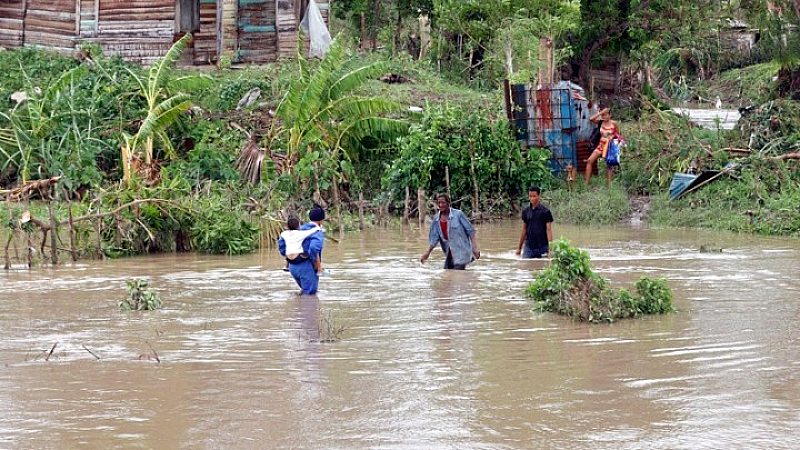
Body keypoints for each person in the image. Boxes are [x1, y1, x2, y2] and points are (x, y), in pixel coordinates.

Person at [420, 194, 480, 270]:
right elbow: (434, 239)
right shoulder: (436, 219)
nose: (441, 205)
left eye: (443, 202)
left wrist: (475, 248)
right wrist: (427, 253)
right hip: (449, 254)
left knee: (457, 275)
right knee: (447, 276)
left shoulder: (458, 214)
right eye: (439, 203)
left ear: (448, 203)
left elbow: (470, 231)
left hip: (462, 252)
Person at [279, 205, 326, 295]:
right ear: (321, 220)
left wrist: (287, 255)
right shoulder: (317, 232)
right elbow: (313, 248)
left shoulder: (299, 229)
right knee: (310, 297)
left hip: (293, 267)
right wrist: (315, 263)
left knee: (304, 293)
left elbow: (282, 243)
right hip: (306, 267)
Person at [585, 107, 622, 187]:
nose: (605, 117)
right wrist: (600, 112)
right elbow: (591, 119)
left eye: (606, 115)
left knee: (609, 164)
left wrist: (612, 137)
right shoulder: (600, 122)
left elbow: (618, 135)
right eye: (603, 116)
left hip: (609, 147)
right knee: (589, 161)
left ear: (610, 115)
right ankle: (586, 184)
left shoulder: (614, 123)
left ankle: (609, 186)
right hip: (600, 146)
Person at [516, 186, 553, 258]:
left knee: (543, 267)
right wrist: (519, 248)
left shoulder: (546, 212)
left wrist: (551, 249)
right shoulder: (526, 211)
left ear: (539, 196)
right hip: (529, 247)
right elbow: (524, 229)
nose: (531, 198)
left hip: (543, 246)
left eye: (534, 196)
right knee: (526, 266)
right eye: (530, 196)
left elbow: (548, 230)